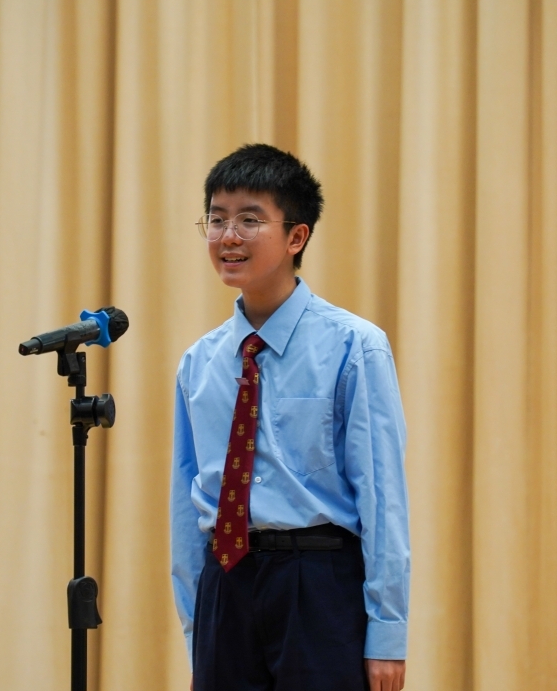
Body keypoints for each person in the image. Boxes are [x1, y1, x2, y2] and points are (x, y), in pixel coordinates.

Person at [170, 144, 410, 691]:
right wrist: (196, 624)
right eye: (217, 219)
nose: (228, 236)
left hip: (318, 584)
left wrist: (387, 632)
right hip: (225, 585)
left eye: (249, 220)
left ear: (296, 237)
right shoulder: (199, 362)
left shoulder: (354, 347)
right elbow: (188, 503)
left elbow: (382, 496)